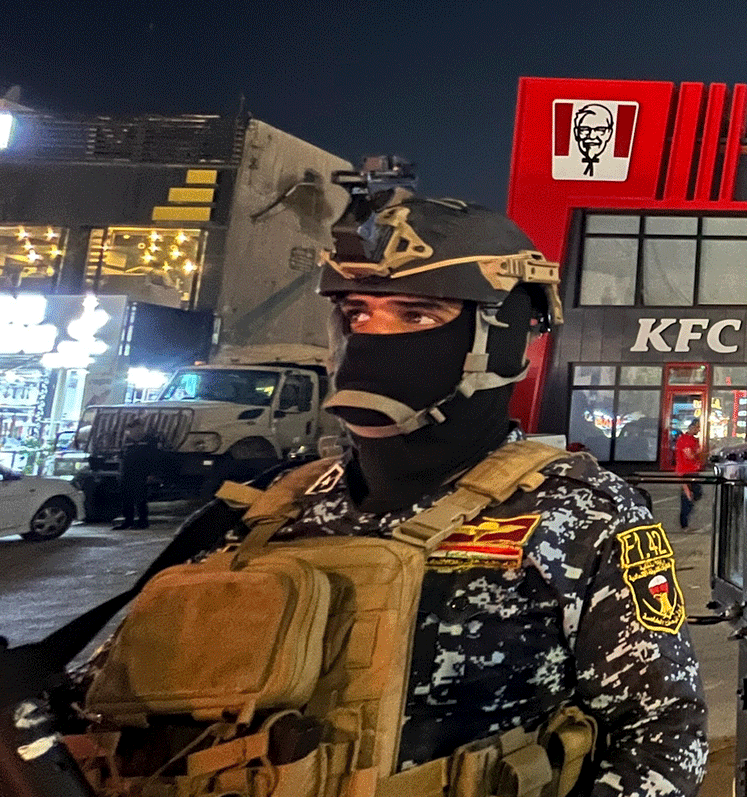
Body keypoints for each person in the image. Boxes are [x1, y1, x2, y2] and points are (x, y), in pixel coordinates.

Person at [65, 190, 709, 797]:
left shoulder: (578, 511)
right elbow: (103, 708)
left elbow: (661, 732)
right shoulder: (258, 510)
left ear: (504, 334)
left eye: (417, 314)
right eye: (358, 315)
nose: (375, 338)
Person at [112, 417, 157, 530]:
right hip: (127, 474)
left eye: (135, 428)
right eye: (131, 429)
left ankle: (143, 521)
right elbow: (123, 457)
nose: (133, 431)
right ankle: (128, 521)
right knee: (126, 499)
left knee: (140, 498)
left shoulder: (149, 441)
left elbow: (153, 459)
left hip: (141, 474)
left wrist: (151, 474)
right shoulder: (128, 441)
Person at [674, 417, 705, 530]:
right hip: (686, 471)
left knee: (695, 493)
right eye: (697, 428)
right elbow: (689, 455)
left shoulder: (693, 440)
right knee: (687, 496)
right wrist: (699, 453)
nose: (698, 430)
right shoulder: (684, 439)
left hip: (693, 471)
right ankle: (684, 522)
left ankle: (685, 520)